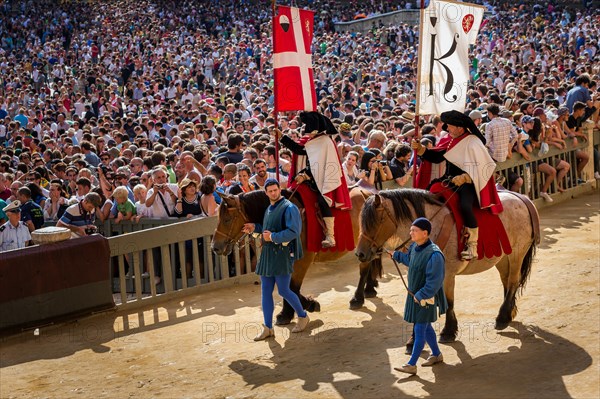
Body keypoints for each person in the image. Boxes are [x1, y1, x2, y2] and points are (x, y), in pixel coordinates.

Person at [413, 110, 502, 261]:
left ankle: (472, 246)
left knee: (465, 206)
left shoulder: (473, 142)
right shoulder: (452, 139)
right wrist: (421, 149)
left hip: (468, 184)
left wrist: (466, 177)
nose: (447, 128)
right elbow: (437, 157)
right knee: (429, 196)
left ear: (460, 128)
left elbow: (485, 167)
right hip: (448, 181)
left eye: (450, 126)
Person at [241, 179, 310, 341]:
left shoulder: (289, 208)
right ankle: (268, 328)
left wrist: (271, 237)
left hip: (283, 254)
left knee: (284, 290)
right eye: (270, 191)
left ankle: (303, 316)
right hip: (267, 254)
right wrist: (254, 228)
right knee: (265, 291)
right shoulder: (269, 209)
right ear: (266, 193)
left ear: (280, 189)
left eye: (275, 190)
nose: (273, 193)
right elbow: (266, 229)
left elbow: (294, 231)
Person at [389, 218, 447, 375]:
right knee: (426, 326)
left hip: (425, 298)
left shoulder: (435, 255)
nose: (411, 233)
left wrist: (421, 295)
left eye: (414, 230)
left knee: (419, 329)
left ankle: (411, 364)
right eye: (411, 230)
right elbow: (410, 260)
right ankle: (436, 354)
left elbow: (435, 281)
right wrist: (396, 255)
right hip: (416, 296)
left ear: (425, 233)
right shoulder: (415, 246)